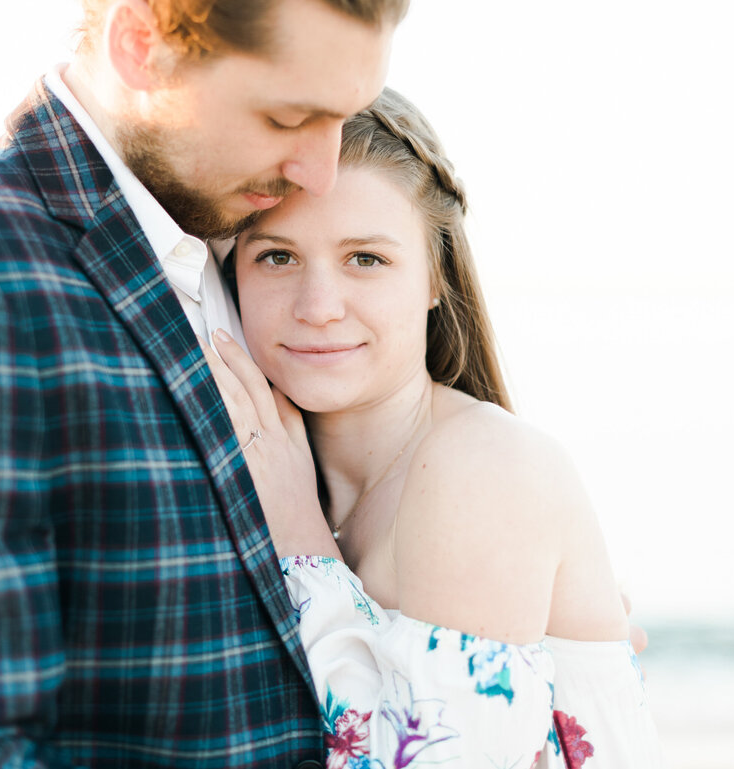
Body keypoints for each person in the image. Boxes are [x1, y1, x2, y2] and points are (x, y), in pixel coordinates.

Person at [0, 0, 411, 767]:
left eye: (344, 117)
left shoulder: (262, 268)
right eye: (287, 116)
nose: (321, 170)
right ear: (140, 46)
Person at [205, 87, 664, 767]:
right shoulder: (283, 472)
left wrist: (302, 543)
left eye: (367, 258)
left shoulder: (480, 467)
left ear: (433, 278)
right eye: (277, 255)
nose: (319, 305)